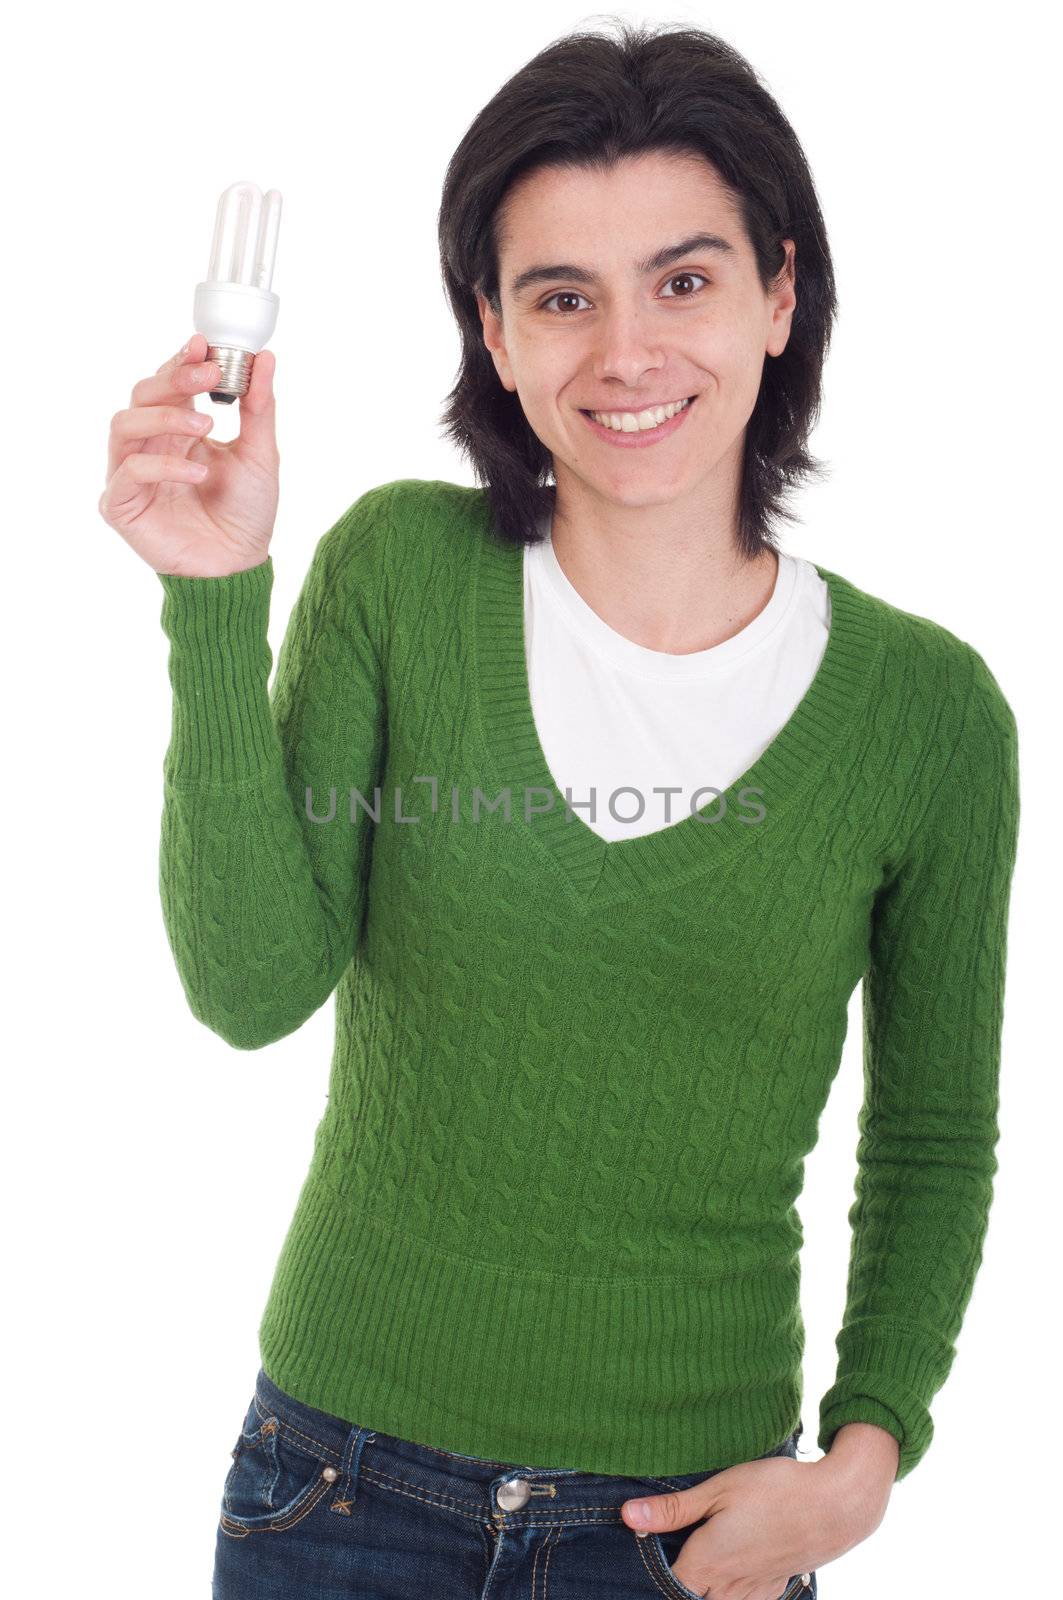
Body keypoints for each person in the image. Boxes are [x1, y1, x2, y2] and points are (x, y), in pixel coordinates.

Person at [98, 20, 1020, 1600]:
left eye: (684, 280)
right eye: (561, 297)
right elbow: (250, 991)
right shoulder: (395, 572)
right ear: (495, 330)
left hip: (686, 1536)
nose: (627, 354)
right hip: (338, 1492)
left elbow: (932, 1135)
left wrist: (864, 1461)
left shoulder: (927, 717)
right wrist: (215, 598)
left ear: (779, 294)